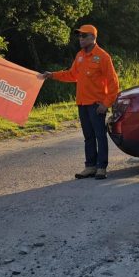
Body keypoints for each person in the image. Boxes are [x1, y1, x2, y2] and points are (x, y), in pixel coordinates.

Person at [42, 25, 119, 180]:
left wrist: (106, 104)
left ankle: (101, 167)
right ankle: (90, 166)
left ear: (92, 37)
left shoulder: (103, 57)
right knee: (88, 136)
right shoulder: (79, 56)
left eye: (83, 36)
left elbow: (113, 83)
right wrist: (52, 75)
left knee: (100, 136)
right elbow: (72, 75)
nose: (80, 39)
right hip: (82, 103)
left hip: (96, 105)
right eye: (79, 36)